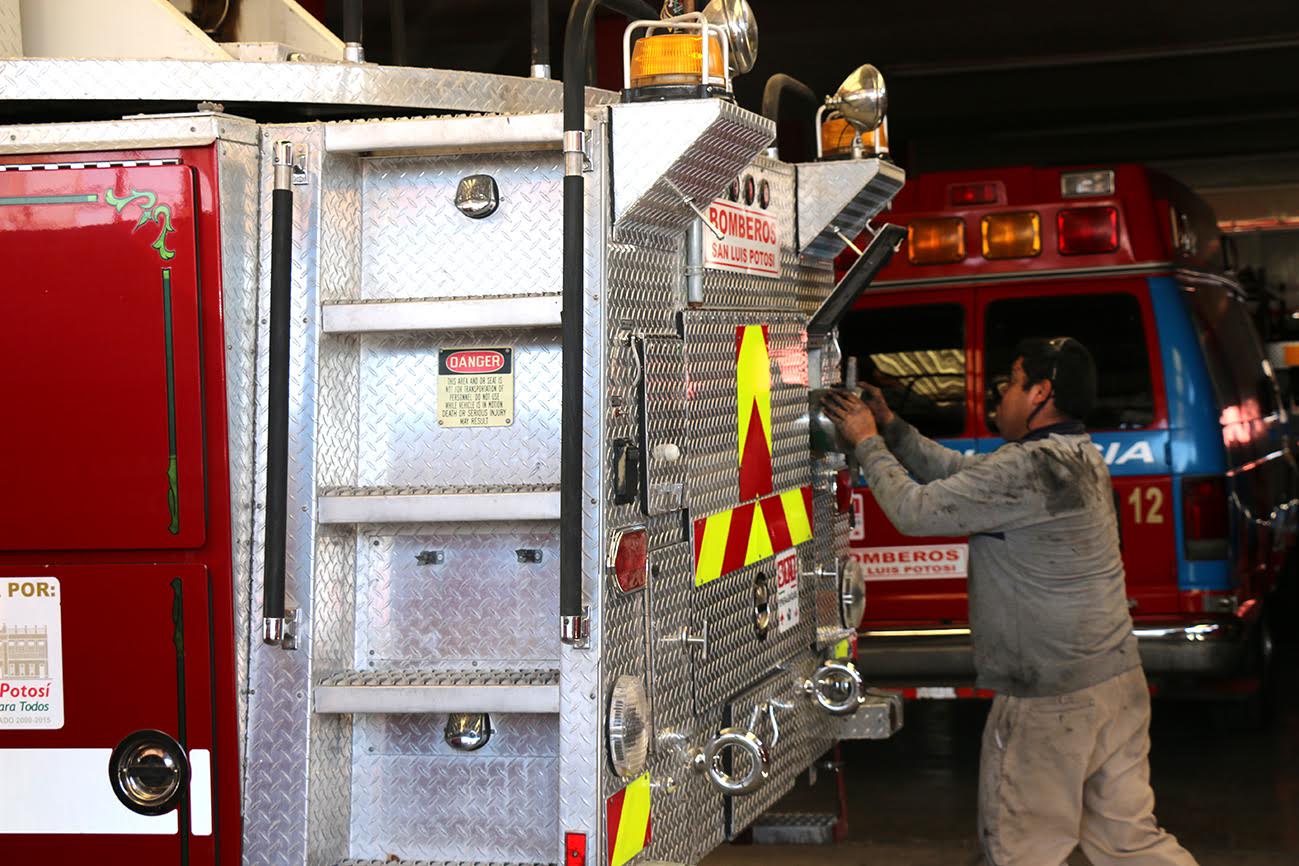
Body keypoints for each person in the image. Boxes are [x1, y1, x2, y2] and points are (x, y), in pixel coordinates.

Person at [824, 337, 1197, 866]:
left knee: (1020, 852)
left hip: (1052, 698)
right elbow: (960, 474)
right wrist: (891, 426)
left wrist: (865, 442)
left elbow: (915, 511)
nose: (1000, 394)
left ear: (1041, 393)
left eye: (1013, 382)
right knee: (1128, 843)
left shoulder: (1027, 469)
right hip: (1115, 680)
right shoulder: (1076, 455)